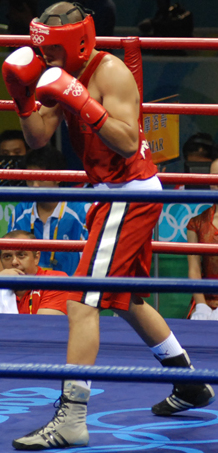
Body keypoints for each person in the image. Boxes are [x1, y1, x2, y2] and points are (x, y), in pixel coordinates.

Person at [2, 2, 215, 450]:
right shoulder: (55, 69)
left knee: (82, 302)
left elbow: (123, 139)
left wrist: (81, 101)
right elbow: (39, 137)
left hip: (129, 189)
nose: (46, 60)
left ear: (74, 41)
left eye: (52, 51)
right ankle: (190, 383)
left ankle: (72, 418)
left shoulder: (110, 72)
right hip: (109, 192)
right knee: (127, 299)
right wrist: (24, 99)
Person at [7, 146, 90, 276]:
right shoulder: (20, 211)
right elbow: (8, 257)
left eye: (41, 179)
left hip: (71, 290)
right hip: (28, 291)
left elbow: (92, 260)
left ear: (57, 177)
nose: (35, 186)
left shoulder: (81, 211)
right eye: (30, 179)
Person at [0, 230, 68, 315]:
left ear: (36, 257)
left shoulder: (55, 280)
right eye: (7, 256)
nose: (14, 262)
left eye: (21, 255)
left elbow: (45, 326)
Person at [186, 158, 218, 320]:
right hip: (205, 300)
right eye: (214, 176)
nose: (217, 181)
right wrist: (201, 305)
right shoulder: (196, 223)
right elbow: (194, 268)